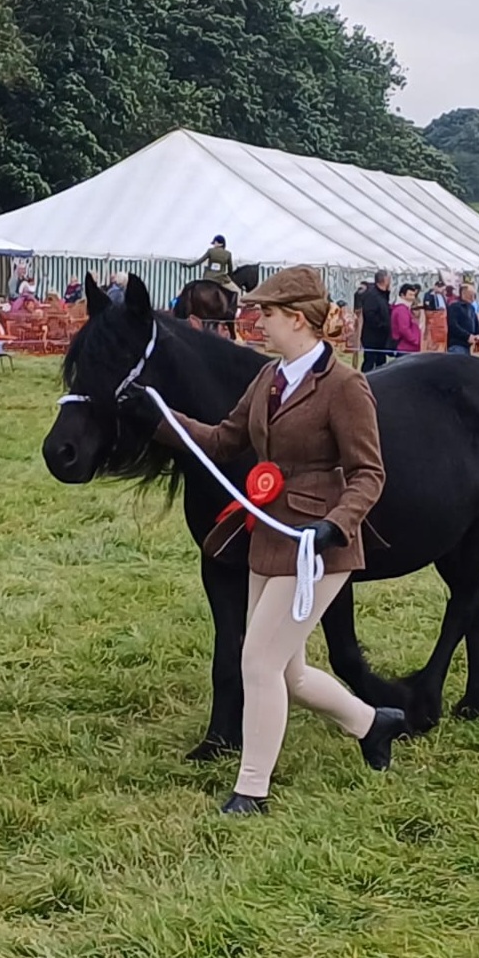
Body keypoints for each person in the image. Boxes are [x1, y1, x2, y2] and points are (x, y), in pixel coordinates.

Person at [129, 266, 407, 814]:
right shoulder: (268, 379)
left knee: (256, 662)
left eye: (269, 315)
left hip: (318, 548)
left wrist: (336, 523)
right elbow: (223, 438)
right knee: (289, 671)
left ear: (298, 320)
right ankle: (373, 723)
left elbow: (369, 473)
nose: (258, 323)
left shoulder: (346, 386)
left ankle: (251, 790)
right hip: (269, 538)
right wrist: (157, 415)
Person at [358, 270, 393, 372]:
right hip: (372, 337)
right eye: (389, 279)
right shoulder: (372, 295)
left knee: (381, 363)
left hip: (382, 338)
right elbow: (370, 314)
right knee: (369, 362)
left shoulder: (383, 295)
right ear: (385, 280)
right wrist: (382, 325)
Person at [445, 286, 479, 354]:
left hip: (468, 346)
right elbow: (453, 325)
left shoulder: (471, 308)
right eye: (471, 294)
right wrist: (467, 336)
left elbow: (476, 324)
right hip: (457, 344)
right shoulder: (455, 306)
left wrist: (478, 335)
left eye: (474, 295)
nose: (473, 297)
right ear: (463, 294)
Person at [390, 283, 422, 356]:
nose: (413, 298)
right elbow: (404, 329)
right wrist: (415, 340)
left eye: (413, 295)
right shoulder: (402, 310)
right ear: (402, 295)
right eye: (410, 295)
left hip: (408, 347)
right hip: (406, 347)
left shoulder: (405, 309)